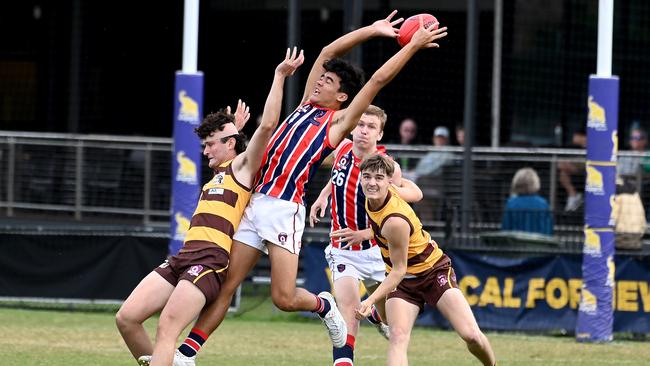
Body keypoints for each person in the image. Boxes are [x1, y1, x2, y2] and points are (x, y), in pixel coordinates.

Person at [157, 11, 448, 366]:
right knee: (227, 284)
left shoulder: (338, 123)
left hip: (285, 209)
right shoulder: (305, 105)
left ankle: (323, 305)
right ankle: (188, 354)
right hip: (256, 202)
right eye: (320, 77)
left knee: (283, 297)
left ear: (341, 97)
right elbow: (327, 50)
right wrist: (371, 31)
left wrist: (412, 46)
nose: (319, 81)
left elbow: (377, 80)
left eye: (326, 81)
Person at [116, 47, 305, 366]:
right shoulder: (217, 175)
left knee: (167, 330)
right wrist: (234, 127)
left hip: (209, 261)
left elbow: (268, 125)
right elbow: (235, 139)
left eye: (209, 144)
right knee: (127, 318)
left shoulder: (242, 169)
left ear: (231, 144)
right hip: (183, 257)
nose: (204, 151)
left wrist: (279, 76)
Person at [355, 154, 497, 366]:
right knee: (397, 337)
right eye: (366, 177)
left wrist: (369, 300)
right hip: (404, 284)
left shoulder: (395, 220)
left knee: (471, 336)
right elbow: (417, 193)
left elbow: (398, 270)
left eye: (378, 178)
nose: (371, 183)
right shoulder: (380, 194)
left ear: (387, 181)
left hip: (432, 272)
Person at [309, 105, 423, 366]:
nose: (363, 131)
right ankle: (343, 361)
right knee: (347, 310)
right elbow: (337, 176)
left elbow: (401, 208)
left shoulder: (387, 167)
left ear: (380, 134)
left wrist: (366, 232)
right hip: (341, 248)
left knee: (385, 315)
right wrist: (324, 195)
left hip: (375, 251)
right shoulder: (342, 148)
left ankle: (376, 314)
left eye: (371, 127)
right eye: (360, 125)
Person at [501, 167, 553, 235]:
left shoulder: (511, 203)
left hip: (516, 243)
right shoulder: (543, 203)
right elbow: (548, 229)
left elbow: (506, 228)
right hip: (539, 243)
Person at [558, 128, 587, 211]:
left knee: (562, 165)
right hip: (581, 162)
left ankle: (574, 196)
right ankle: (573, 195)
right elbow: (576, 139)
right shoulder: (578, 147)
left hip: (594, 164)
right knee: (562, 171)